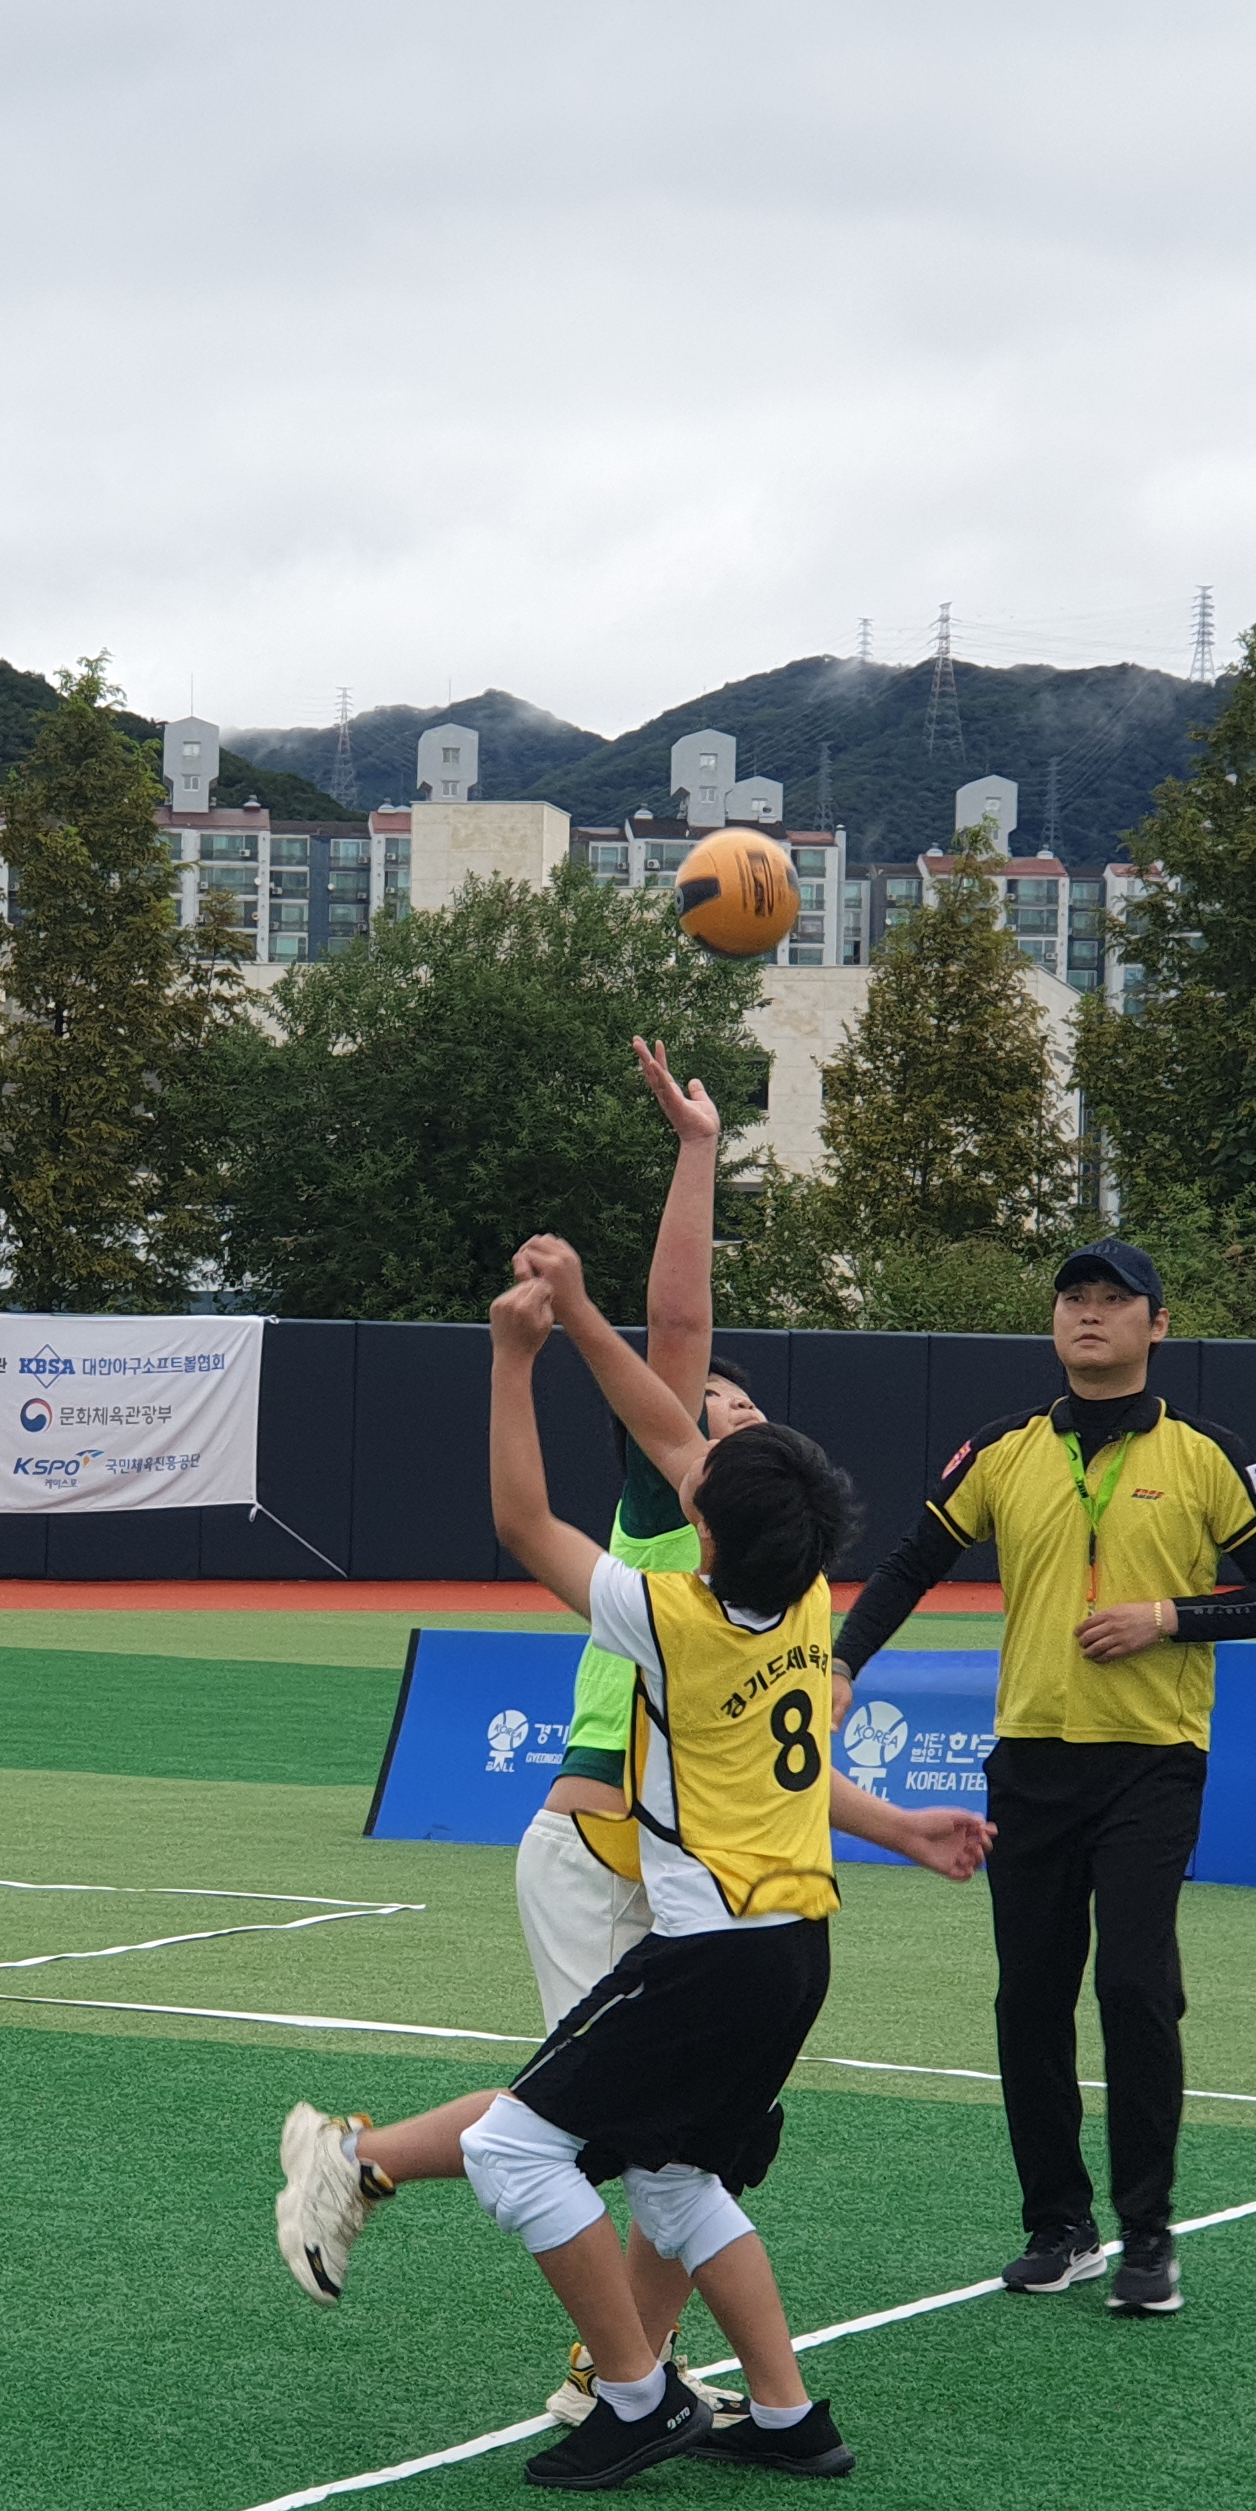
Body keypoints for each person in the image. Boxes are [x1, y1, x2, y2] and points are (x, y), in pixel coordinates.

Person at [272, 1240, 993, 2492]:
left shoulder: (672, 1619)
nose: (694, 1449)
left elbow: (521, 1522)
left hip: (706, 1959)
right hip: (796, 1950)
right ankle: (787, 2417)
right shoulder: (811, 1599)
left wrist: (516, 1356)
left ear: (703, 1530)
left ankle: (630, 2393)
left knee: (522, 2150)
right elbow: (671, 1433)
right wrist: (581, 1310)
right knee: (676, 2179)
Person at [832, 1239, 1256, 2318]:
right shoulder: (1003, 1448)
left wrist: (1169, 1617)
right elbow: (912, 1562)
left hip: (1153, 1761)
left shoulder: (1208, 1453)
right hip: (1031, 1762)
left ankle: (1148, 2233)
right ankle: (1059, 2226)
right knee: (1031, 1998)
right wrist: (841, 1662)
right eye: (1073, 1299)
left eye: (1113, 1300)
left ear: (1157, 1324)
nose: (1089, 1314)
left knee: (1136, 1989)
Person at [510, 1037, 773, 2426]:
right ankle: (616, 2380)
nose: (730, 1411)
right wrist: (696, 1151)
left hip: (686, 1868)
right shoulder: (674, 1516)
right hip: (597, 1850)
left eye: (749, 1412)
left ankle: (629, 2372)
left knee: (697, 2132)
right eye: (718, 1406)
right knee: (624, 2124)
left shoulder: (768, 1574)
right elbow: (677, 1329)